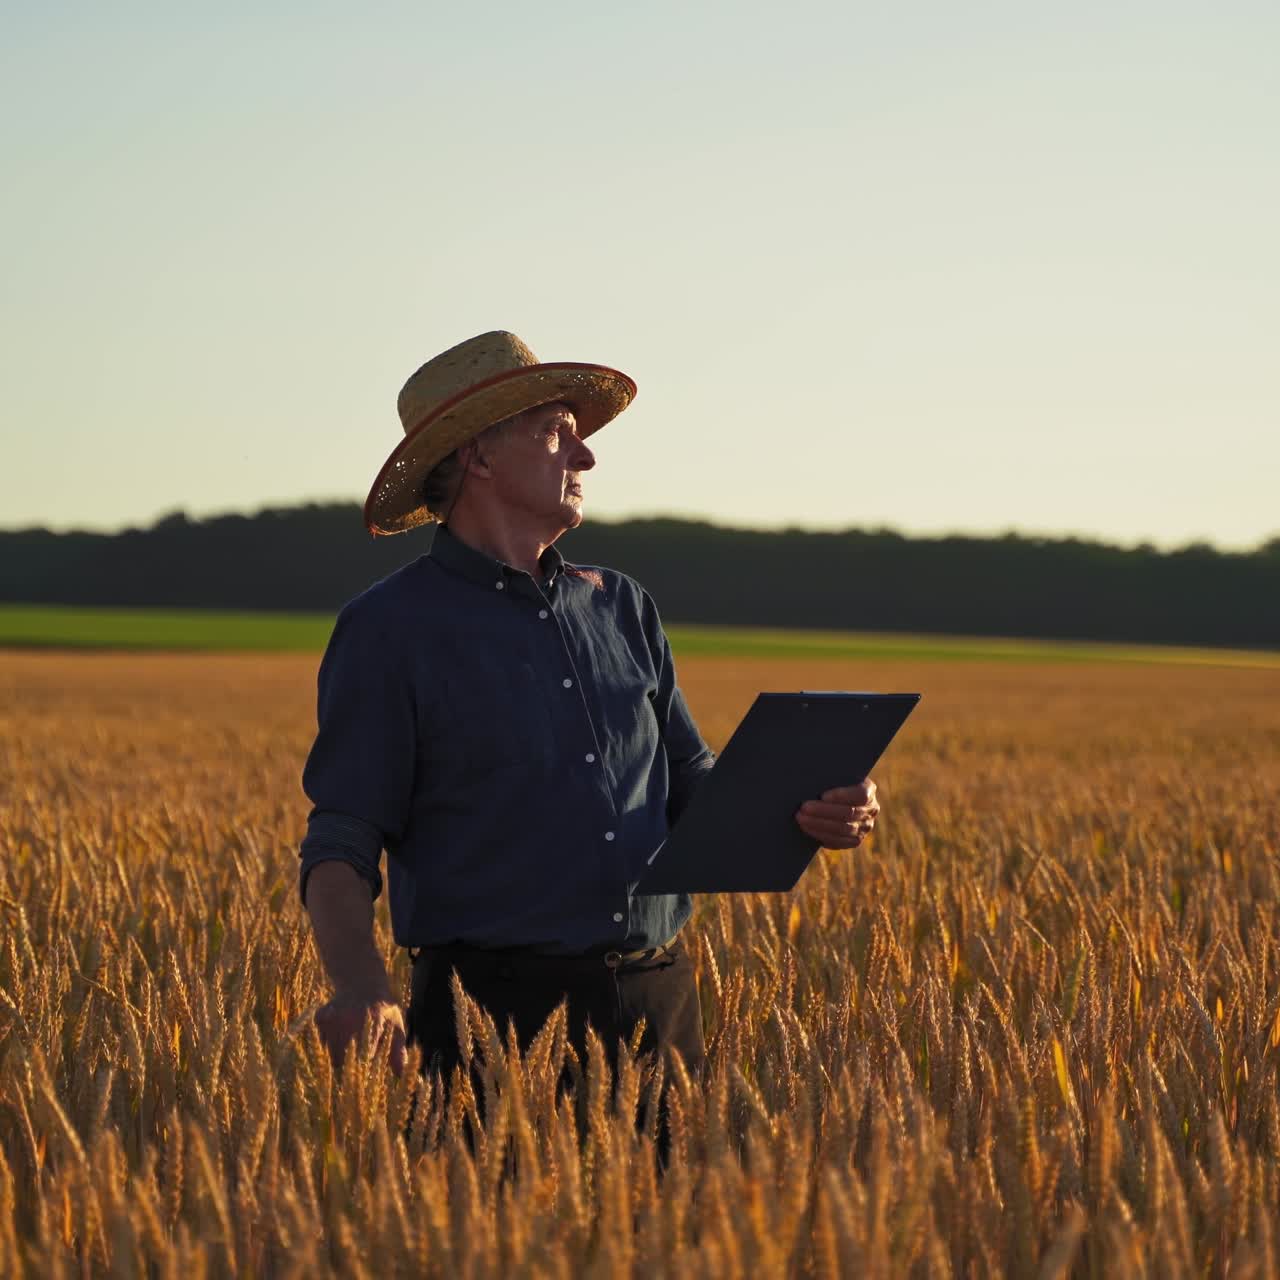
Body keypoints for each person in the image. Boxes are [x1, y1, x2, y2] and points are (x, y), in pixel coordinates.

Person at [298, 330, 881, 1085]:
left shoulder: (624, 608)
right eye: (555, 435)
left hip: (659, 1006)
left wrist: (813, 804)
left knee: (678, 1208)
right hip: (488, 1023)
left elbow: (689, 782)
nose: (586, 457)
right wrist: (360, 987)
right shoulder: (389, 629)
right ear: (477, 457)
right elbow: (343, 832)